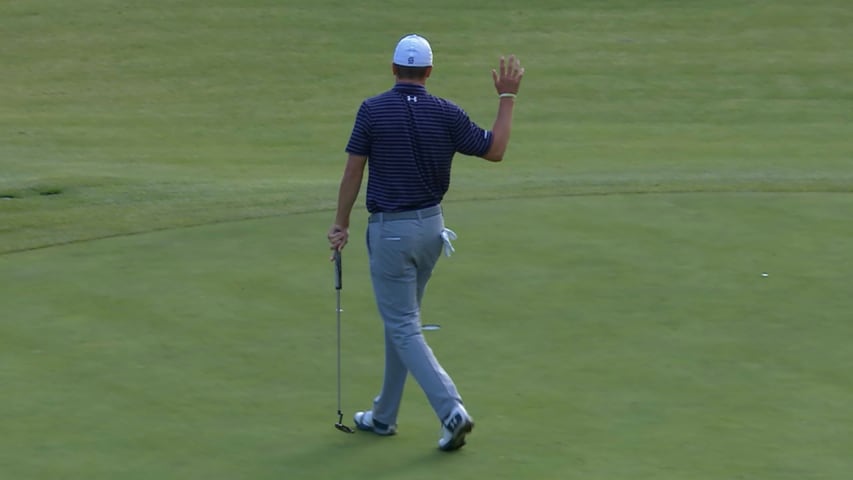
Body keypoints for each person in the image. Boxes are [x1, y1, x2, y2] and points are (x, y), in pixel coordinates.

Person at [327, 33, 524, 451]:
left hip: (391, 234)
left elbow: (352, 173)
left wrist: (340, 223)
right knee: (402, 323)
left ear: (394, 69)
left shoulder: (372, 111)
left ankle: (451, 410)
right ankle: (384, 416)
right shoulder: (446, 113)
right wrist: (507, 95)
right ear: (429, 72)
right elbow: (496, 149)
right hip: (433, 231)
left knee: (401, 324)